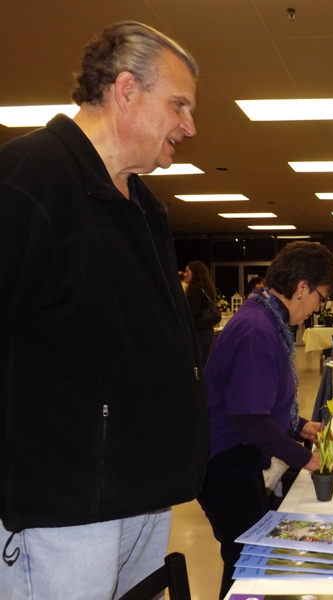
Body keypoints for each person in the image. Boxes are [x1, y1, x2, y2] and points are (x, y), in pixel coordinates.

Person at [0, 22, 205, 600]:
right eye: (179, 105)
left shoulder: (144, 208)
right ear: (126, 91)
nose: (189, 126)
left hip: (142, 498)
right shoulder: (28, 180)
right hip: (65, 512)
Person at [198, 241, 333, 599]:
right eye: (320, 298)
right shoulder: (257, 331)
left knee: (250, 557)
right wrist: (305, 457)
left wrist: (300, 425)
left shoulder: (266, 318)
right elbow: (248, 418)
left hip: (234, 457)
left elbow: (262, 399)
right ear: (302, 287)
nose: (317, 308)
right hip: (226, 464)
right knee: (247, 562)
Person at [185, 260, 218, 365]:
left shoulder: (194, 290)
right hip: (209, 332)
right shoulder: (207, 289)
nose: (185, 274)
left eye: (187, 271)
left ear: (194, 273)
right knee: (205, 365)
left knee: (195, 365)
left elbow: (192, 315)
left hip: (198, 334)